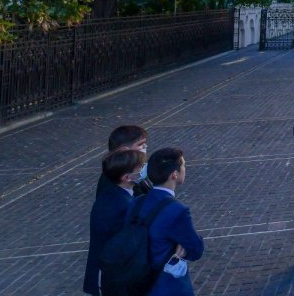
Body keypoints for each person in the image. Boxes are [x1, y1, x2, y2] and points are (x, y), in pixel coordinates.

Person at [137, 147, 204, 296]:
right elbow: (195, 249)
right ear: (174, 174)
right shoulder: (177, 210)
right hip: (165, 284)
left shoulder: (137, 202)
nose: (185, 169)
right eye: (183, 166)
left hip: (139, 280)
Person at [84, 148, 146, 295]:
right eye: (141, 167)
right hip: (113, 277)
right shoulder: (124, 205)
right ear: (127, 177)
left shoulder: (111, 194)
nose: (144, 169)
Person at [95, 125, 150, 196]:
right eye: (140, 144)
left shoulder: (131, 168)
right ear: (124, 150)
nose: (145, 146)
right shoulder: (119, 183)